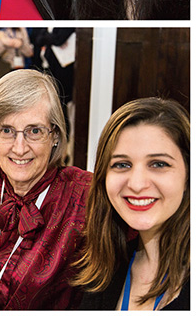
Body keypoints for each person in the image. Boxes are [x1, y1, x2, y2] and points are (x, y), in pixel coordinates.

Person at [0, 69, 91, 309]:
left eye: (34, 131)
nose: (19, 149)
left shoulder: (84, 197)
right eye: (7, 131)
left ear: (55, 135)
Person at [75, 98, 189, 310]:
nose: (137, 184)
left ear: (187, 176)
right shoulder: (104, 272)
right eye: (122, 164)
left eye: (158, 164)